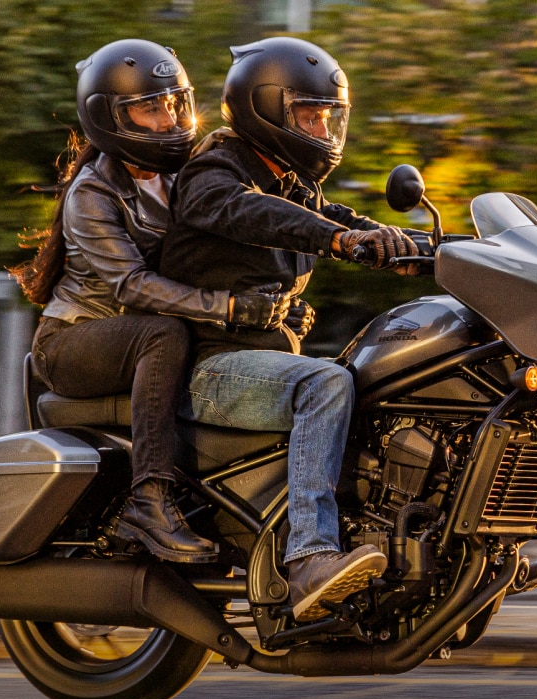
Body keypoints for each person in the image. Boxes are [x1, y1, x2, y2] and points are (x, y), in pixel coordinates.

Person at [157, 37, 424, 620]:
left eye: (330, 117)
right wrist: (339, 241)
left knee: (380, 378)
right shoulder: (215, 168)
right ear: (267, 108)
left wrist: (417, 245)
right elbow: (247, 210)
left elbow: (334, 217)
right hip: (210, 367)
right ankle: (309, 558)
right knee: (326, 384)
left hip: (258, 362)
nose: (324, 130)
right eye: (310, 114)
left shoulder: (290, 181)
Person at [10, 39, 307, 564]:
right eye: (150, 108)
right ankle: (149, 499)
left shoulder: (185, 172)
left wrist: (273, 301)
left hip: (150, 333)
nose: (169, 119)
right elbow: (133, 287)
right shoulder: (93, 192)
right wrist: (232, 307)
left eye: (176, 103)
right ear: (108, 118)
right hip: (77, 342)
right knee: (163, 333)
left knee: (269, 341)